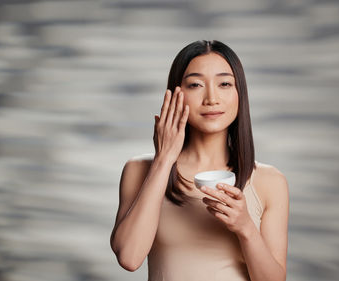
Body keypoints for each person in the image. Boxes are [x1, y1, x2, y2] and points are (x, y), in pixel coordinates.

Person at [110, 40, 289, 281]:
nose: (211, 98)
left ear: (240, 94)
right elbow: (129, 258)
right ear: (176, 94)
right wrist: (164, 159)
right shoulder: (139, 170)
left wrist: (245, 227)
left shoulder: (270, 181)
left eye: (224, 83)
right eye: (195, 84)